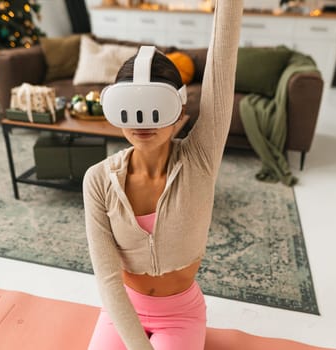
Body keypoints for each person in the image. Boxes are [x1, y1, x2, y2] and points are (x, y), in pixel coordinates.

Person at [83, 1, 243, 349]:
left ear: (179, 110)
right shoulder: (97, 180)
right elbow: (108, 278)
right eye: (132, 111)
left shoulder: (201, 158)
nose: (144, 124)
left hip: (180, 314)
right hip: (121, 309)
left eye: (156, 110)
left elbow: (222, 60)